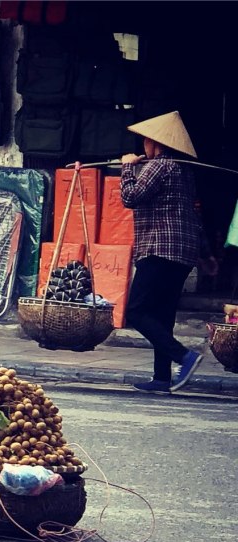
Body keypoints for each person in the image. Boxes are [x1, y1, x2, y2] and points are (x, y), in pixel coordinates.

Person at [120, 111, 204, 394]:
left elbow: (130, 197)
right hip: (182, 252)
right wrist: (206, 254)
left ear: (156, 143)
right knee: (162, 315)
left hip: (159, 248)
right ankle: (162, 378)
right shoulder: (184, 170)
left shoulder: (159, 166)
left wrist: (127, 168)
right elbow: (193, 213)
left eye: (146, 140)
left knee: (136, 311)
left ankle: (184, 356)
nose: (143, 145)